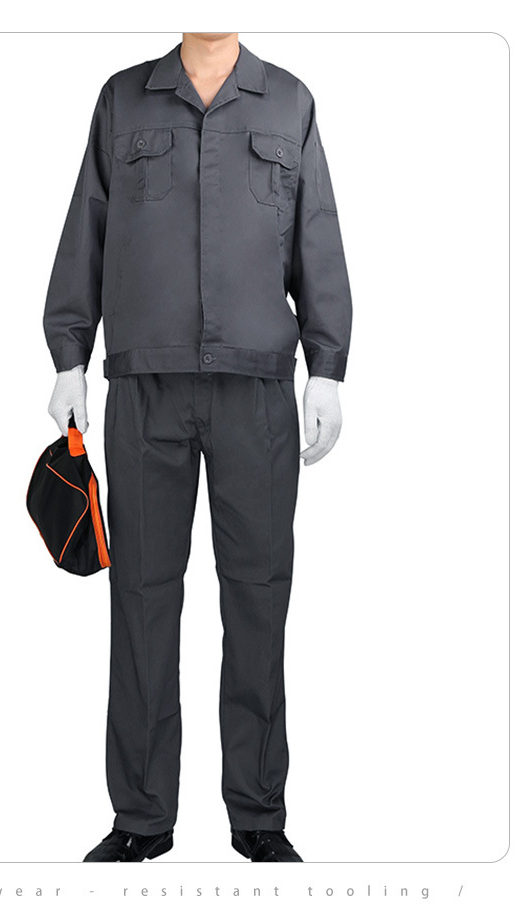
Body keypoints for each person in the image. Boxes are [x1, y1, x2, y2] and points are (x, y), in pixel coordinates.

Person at [43, 32, 353, 862]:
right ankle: (141, 819)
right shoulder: (123, 98)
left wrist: (327, 370)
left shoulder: (289, 101)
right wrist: (69, 357)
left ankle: (259, 815)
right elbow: (87, 228)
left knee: (258, 599)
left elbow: (316, 234)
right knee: (141, 600)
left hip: (257, 392)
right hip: (144, 388)